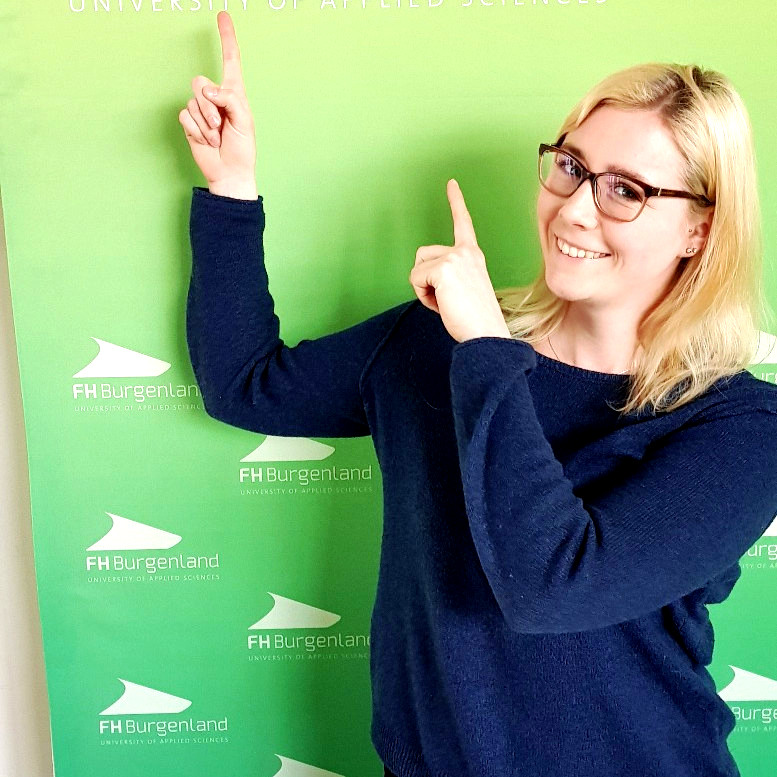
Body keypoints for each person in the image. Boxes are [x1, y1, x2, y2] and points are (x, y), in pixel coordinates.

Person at [180, 11, 777, 777]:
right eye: (570, 166)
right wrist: (231, 188)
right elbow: (246, 387)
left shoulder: (739, 425)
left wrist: (489, 350)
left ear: (698, 229)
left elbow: (552, 587)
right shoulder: (438, 339)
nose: (575, 208)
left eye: (626, 190)